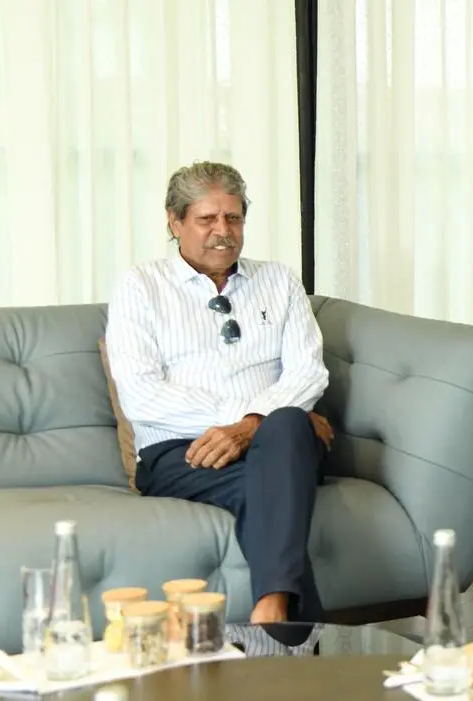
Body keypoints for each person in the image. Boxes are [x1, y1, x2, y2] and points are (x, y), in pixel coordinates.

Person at [105, 161, 332, 624]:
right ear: (175, 222)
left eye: (233, 218)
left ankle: (275, 621)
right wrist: (252, 421)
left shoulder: (280, 280)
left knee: (286, 430)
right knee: (276, 481)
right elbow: (141, 395)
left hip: (279, 440)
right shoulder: (140, 286)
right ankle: (283, 618)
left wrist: (253, 428)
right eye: (207, 219)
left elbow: (309, 372)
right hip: (182, 453)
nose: (223, 231)